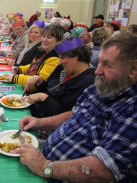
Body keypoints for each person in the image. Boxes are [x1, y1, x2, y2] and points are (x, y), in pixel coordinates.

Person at [19, 32, 137, 182]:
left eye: (107, 64)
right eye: (99, 62)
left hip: (55, 173)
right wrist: (40, 122)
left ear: (133, 69)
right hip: (47, 158)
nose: (97, 71)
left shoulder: (132, 108)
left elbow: (104, 169)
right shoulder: (102, 86)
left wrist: (43, 166)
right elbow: (74, 115)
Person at [23, 37, 95, 119]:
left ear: (76, 57)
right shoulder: (62, 69)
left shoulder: (87, 82)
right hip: (37, 111)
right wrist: (39, 81)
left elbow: (65, 115)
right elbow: (49, 87)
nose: (60, 62)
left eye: (62, 57)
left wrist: (42, 97)